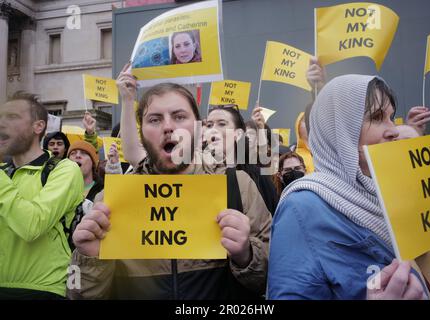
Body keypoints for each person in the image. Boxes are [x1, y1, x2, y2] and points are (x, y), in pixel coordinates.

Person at [67, 83, 271, 299]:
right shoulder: (110, 200)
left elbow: (272, 278)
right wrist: (87, 258)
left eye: (179, 117)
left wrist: (246, 255)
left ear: (199, 128)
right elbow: (74, 293)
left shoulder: (238, 186)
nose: (168, 127)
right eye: (154, 119)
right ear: (142, 132)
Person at [267, 75, 428, 300]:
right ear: (341, 130)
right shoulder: (301, 208)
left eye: (391, 117)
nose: (394, 130)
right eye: (376, 117)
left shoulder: (393, 191)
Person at [0, 92, 84, 299]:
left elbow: (32, 225)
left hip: (43, 289)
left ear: (38, 127)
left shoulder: (64, 170)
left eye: (12, 117)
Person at [205, 104, 279, 215]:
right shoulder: (196, 173)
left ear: (238, 134)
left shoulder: (257, 178)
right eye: (209, 125)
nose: (213, 130)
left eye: (221, 124)